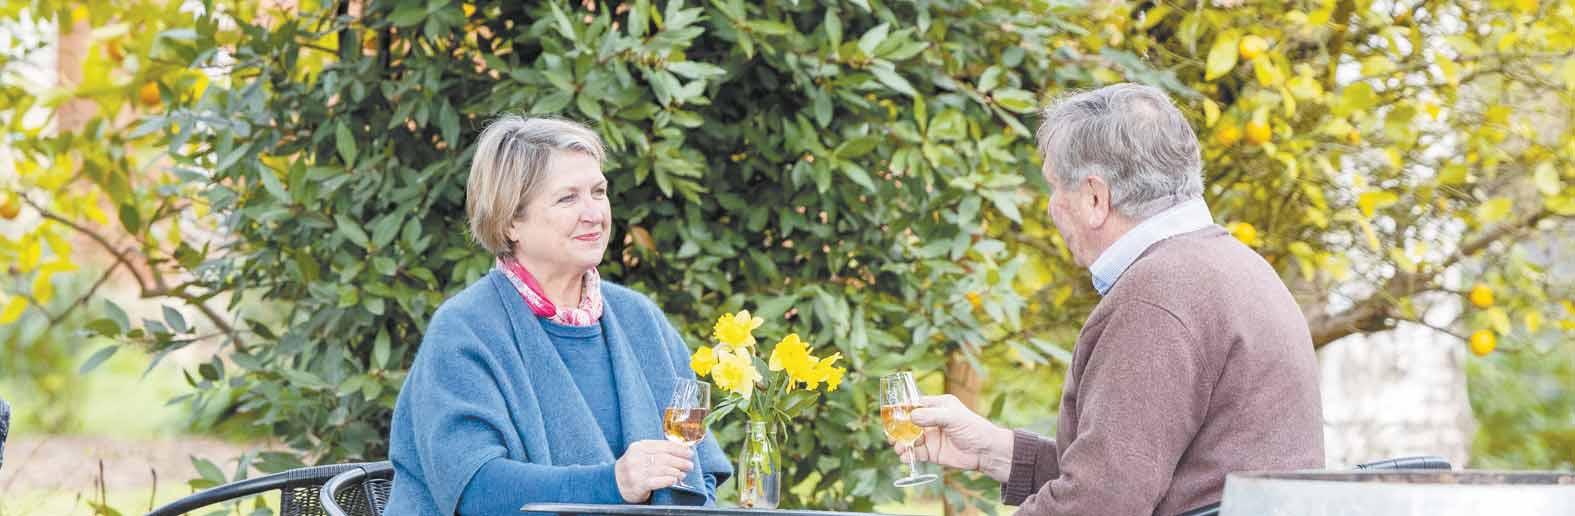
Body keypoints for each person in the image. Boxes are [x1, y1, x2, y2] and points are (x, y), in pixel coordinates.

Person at [894, 84, 1324, 515]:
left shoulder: (1157, 299)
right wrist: (992, 451)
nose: (1051, 207)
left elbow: (1100, 503)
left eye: (1055, 188)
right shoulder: (1232, 266)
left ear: (1096, 198)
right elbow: (1131, 473)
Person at [385, 116, 730, 515]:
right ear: (510, 221)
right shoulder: (465, 331)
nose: (594, 213)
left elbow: (699, 471)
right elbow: (477, 491)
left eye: (598, 192)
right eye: (568, 198)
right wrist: (614, 484)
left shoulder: (641, 319)